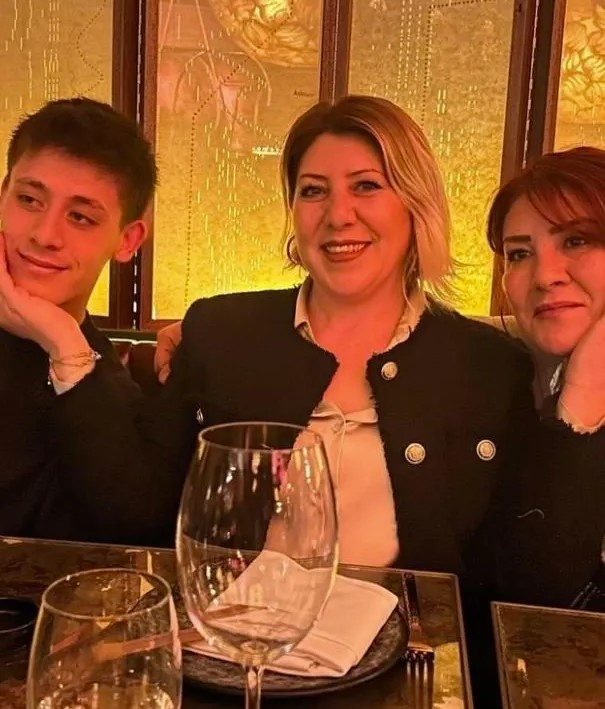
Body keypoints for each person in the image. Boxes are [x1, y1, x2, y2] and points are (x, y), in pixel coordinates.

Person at [0, 96, 168, 544]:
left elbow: (131, 531)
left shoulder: (105, 390)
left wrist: (63, 341)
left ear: (127, 240)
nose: (44, 235)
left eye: (80, 217)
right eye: (29, 199)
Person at [486, 145, 605, 609]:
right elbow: (523, 603)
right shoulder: (502, 388)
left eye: (576, 240)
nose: (544, 276)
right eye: (519, 253)